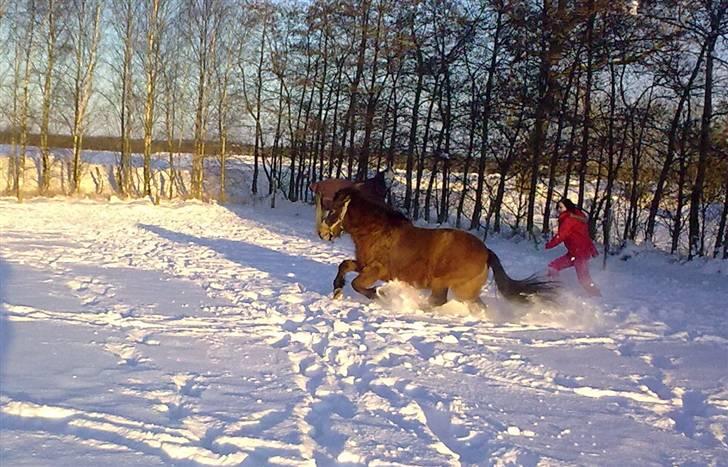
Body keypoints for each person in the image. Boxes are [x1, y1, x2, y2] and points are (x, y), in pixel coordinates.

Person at [545, 198, 601, 297]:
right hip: (574, 253)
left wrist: (549, 245)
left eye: (561, 207)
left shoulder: (569, 220)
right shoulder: (577, 216)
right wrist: (592, 249)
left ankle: (595, 295)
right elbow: (585, 236)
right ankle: (553, 289)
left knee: (583, 278)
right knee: (553, 267)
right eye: (558, 207)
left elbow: (561, 235)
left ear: (568, 207)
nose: (559, 209)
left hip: (580, 253)